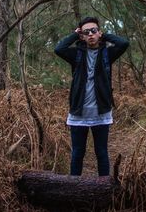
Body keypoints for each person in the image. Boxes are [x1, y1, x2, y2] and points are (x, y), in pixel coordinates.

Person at [54, 17, 129, 176]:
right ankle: (74, 189)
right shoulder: (77, 55)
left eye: (94, 31)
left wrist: (104, 35)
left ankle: (104, 189)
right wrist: (75, 35)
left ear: (99, 33)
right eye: (86, 32)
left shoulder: (107, 54)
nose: (90, 35)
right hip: (79, 112)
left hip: (100, 111)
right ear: (82, 36)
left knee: (101, 152)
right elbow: (59, 49)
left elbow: (124, 43)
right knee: (77, 153)